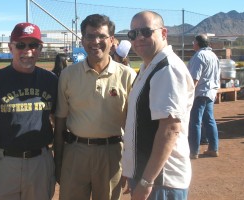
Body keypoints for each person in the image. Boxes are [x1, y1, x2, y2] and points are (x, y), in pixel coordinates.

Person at [0, 22, 58, 200]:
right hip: (4, 165)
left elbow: (58, 121)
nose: (28, 50)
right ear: (11, 47)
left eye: (34, 45)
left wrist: (58, 161)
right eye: (21, 45)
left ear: (40, 48)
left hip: (40, 163)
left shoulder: (50, 81)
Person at [54, 14, 136, 200]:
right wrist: (58, 161)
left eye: (101, 36)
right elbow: (60, 122)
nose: (95, 42)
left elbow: (133, 127)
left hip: (112, 154)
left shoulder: (127, 75)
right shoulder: (68, 75)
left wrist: (131, 166)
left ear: (112, 40)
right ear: (82, 40)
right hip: (75, 153)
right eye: (89, 36)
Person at [121, 11, 195, 200]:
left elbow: (170, 129)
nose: (139, 38)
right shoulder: (150, 66)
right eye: (133, 34)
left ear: (163, 33)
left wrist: (146, 181)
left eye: (146, 31)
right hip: (150, 176)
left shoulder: (167, 69)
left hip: (161, 180)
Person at [188, 34, 220, 159]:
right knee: (209, 120)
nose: (193, 44)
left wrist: (188, 94)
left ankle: (193, 151)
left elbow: (194, 78)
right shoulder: (213, 56)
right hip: (211, 92)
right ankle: (213, 148)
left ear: (198, 43)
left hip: (200, 93)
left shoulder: (199, 56)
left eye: (194, 42)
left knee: (195, 122)